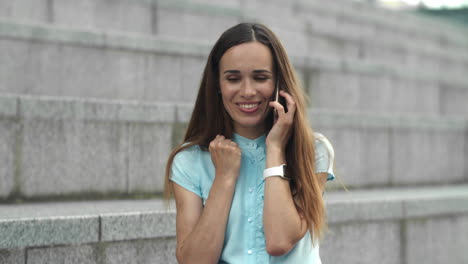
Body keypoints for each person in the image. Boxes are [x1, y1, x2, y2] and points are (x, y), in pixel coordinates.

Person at [164, 22, 335, 264]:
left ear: (279, 83)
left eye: (260, 77)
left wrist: (275, 149)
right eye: (233, 79)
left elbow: (279, 240)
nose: (247, 91)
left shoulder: (313, 151)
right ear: (218, 87)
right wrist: (224, 178)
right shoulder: (189, 161)